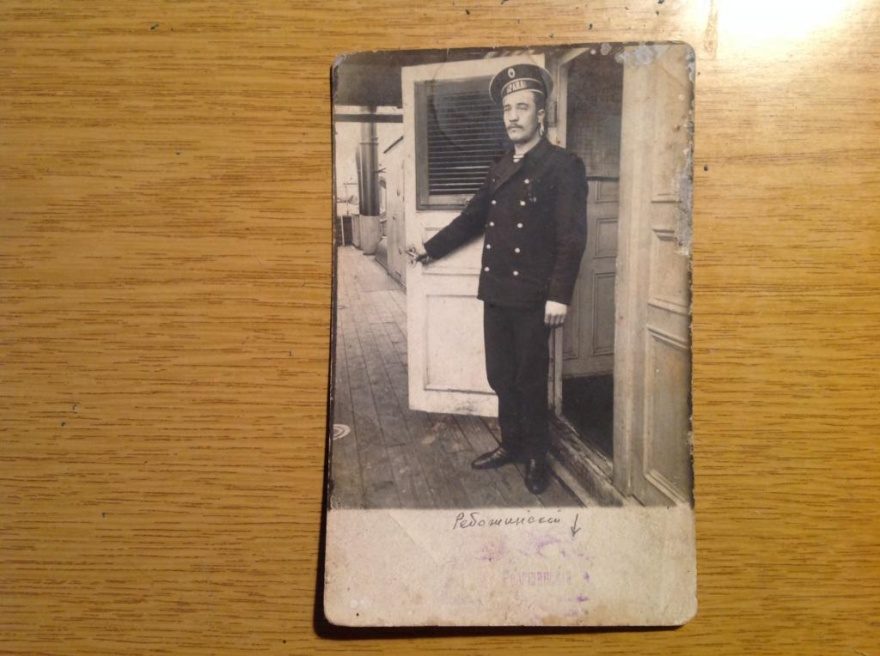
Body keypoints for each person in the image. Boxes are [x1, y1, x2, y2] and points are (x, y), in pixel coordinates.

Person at [408, 63, 587, 494]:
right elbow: (473, 217)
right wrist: (431, 248)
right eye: (507, 109)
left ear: (540, 114)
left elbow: (572, 237)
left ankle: (536, 455)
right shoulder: (500, 165)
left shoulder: (562, 165)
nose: (512, 117)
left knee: (529, 379)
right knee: (500, 375)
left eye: (521, 108)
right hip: (497, 290)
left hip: (534, 295)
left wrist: (559, 295)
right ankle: (511, 444)